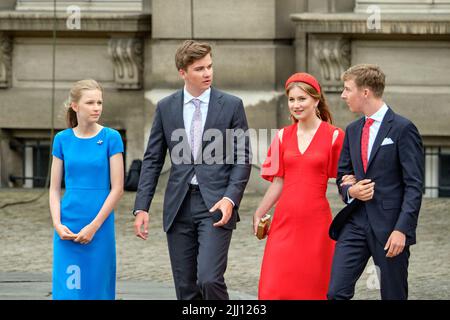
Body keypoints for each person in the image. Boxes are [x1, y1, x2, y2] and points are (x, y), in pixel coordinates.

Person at [133, 40, 251, 300]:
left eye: (209, 67)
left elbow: (242, 158)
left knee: (209, 278)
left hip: (216, 204)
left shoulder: (231, 105)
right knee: (186, 289)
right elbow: (153, 159)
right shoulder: (166, 107)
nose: (207, 73)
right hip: (179, 205)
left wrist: (231, 198)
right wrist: (142, 207)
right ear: (182, 73)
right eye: (199, 69)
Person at [327, 64, 424, 300]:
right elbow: (343, 175)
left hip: (390, 228)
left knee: (393, 296)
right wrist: (351, 190)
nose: (343, 95)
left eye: (347, 89)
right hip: (355, 223)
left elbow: (414, 185)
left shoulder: (403, 128)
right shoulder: (352, 130)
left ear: (365, 92)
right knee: (335, 293)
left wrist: (402, 229)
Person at [254, 72, 353, 299]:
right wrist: (259, 212)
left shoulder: (334, 136)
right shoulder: (281, 136)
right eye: (291, 100)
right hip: (283, 222)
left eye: (302, 99)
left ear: (316, 100)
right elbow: (279, 181)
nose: (296, 105)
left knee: (312, 288)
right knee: (272, 288)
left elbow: (345, 181)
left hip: (317, 224)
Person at [49, 79, 124, 300]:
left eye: (99, 102)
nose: (97, 107)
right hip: (67, 224)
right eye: (90, 102)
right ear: (75, 106)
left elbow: (117, 188)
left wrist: (94, 226)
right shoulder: (62, 140)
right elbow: (54, 189)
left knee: (97, 290)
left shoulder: (111, 137)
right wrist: (57, 224)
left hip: (99, 225)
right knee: (68, 292)